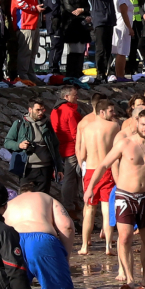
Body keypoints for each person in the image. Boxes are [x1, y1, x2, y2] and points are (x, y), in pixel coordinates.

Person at [82, 108, 145, 289]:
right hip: (124, 196)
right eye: (143, 124)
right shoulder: (125, 143)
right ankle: (129, 279)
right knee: (124, 238)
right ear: (137, 123)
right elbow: (104, 164)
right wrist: (90, 188)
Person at [4, 187, 76, 289]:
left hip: (13, 242)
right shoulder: (46, 197)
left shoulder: (10, 204)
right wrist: (65, 256)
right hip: (42, 240)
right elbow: (66, 226)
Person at [76, 99, 120, 256]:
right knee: (106, 209)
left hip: (90, 170)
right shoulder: (114, 126)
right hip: (106, 170)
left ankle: (84, 246)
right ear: (102, 112)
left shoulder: (85, 128)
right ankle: (108, 246)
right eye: (110, 111)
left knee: (89, 209)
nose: (113, 113)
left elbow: (81, 155)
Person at [4, 99, 63, 194]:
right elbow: (7, 142)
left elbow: (55, 146)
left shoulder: (47, 124)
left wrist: (59, 168)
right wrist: (19, 145)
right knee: (25, 199)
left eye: (42, 110)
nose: (40, 112)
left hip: (45, 169)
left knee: (42, 199)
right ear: (30, 109)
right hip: (26, 169)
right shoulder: (19, 124)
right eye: (38, 110)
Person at [50, 86, 83, 222]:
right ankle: (69, 206)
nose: (77, 97)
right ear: (66, 97)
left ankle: (73, 203)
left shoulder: (55, 110)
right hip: (71, 149)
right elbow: (76, 133)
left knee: (71, 178)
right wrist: (81, 149)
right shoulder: (70, 111)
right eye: (74, 95)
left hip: (61, 148)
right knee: (70, 179)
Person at [11, 0, 45, 85]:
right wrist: (34, 8)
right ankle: (23, 75)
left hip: (33, 22)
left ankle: (31, 74)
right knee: (26, 51)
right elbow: (20, 3)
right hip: (25, 23)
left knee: (32, 52)